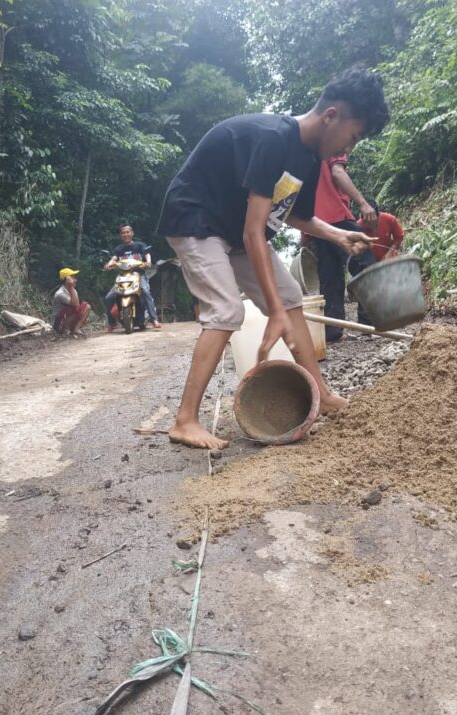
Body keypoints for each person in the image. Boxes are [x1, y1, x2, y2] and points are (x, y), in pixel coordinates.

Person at [158, 64, 389, 449]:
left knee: (289, 296)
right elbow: (255, 232)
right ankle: (185, 420)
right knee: (226, 310)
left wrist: (337, 234)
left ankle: (322, 393)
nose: (349, 148)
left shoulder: (310, 159)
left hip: (233, 230)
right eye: (353, 136)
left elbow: (295, 214)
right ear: (332, 116)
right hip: (196, 219)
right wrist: (275, 315)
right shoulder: (273, 139)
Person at [308, 152, 378, 342]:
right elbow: (338, 172)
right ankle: (368, 322)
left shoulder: (310, 147)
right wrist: (363, 203)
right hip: (336, 215)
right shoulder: (335, 142)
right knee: (366, 264)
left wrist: (305, 232)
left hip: (315, 223)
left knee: (330, 276)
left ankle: (333, 330)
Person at [347, 204, 406, 323]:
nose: (369, 225)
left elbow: (399, 238)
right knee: (370, 291)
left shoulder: (389, 220)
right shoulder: (358, 227)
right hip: (368, 265)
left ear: (377, 215)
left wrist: (389, 253)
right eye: (366, 221)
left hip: (388, 261)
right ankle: (367, 323)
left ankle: (395, 317)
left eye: (373, 221)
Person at [103, 224, 161, 331]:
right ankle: (111, 323)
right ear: (120, 235)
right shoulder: (119, 249)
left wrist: (148, 262)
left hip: (139, 275)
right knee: (109, 297)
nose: (126, 234)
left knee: (145, 291)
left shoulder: (139, 245)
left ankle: (154, 319)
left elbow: (146, 253)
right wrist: (109, 265)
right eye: (123, 233)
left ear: (132, 233)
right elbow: (114, 259)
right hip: (123, 276)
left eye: (127, 232)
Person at [51, 267, 91, 336]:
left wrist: (71, 287)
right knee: (69, 308)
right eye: (73, 278)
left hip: (67, 320)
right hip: (59, 324)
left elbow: (77, 305)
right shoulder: (60, 293)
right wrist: (71, 286)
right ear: (67, 280)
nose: (75, 280)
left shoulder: (73, 290)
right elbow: (75, 304)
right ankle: (65, 330)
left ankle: (76, 329)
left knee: (86, 306)